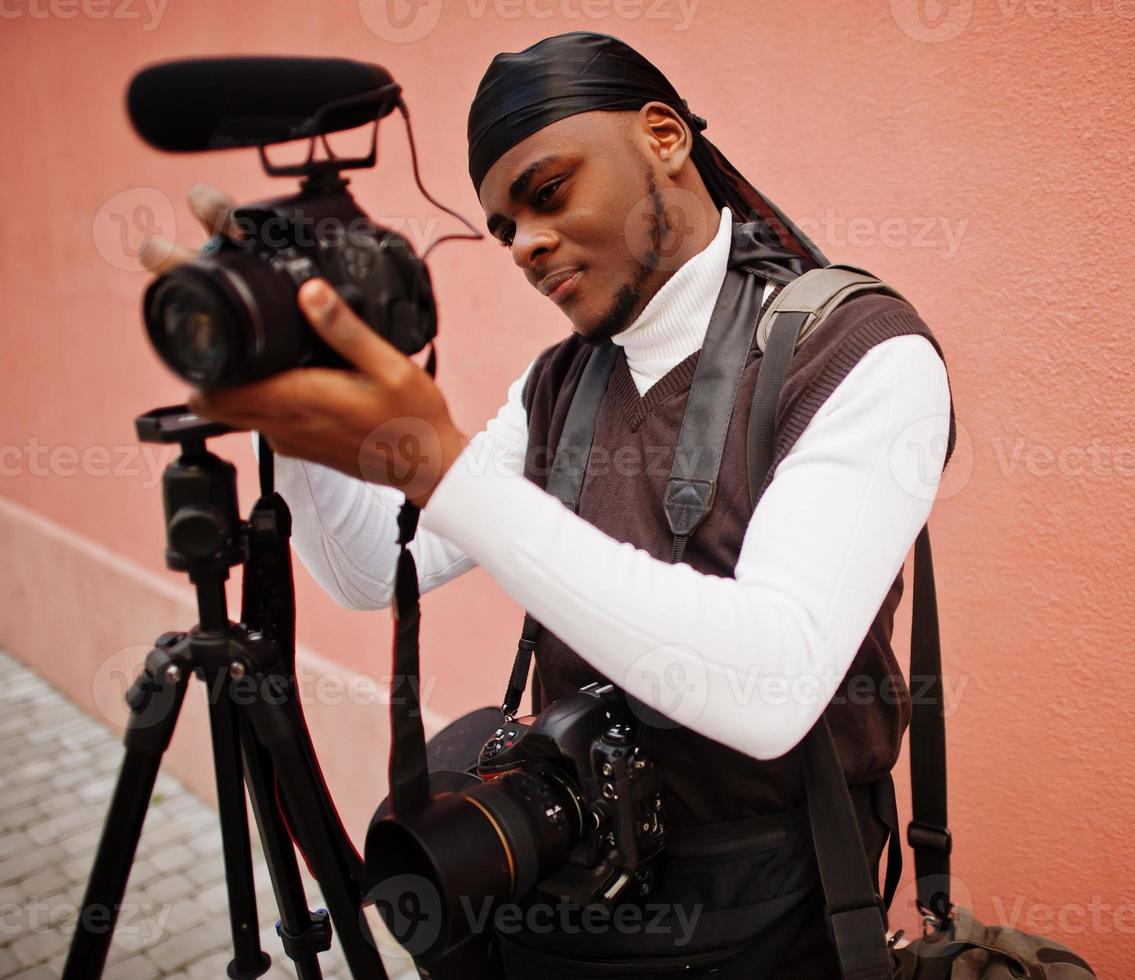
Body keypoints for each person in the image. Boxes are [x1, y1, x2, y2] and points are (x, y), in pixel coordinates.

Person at [144, 31, 956, 978]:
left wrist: (442, 466)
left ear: (663, 137)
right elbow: (373, 570)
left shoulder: (858, 350)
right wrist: (289, 392)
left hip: (772, 914)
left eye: (547, 192)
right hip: (574, 891)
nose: (524, 244)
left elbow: (770, 687)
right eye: (500, 227)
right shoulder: (560, 383)